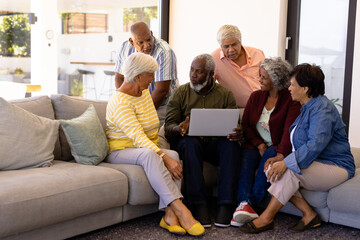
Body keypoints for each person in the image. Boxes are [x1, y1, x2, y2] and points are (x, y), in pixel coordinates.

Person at [238, 63, 356, 234]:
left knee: (288, 171)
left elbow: (314, 144)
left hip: (336, 166)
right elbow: (299, 143)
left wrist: (286, 163)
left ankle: (266, 218)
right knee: (272, 168)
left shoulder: (322, 109)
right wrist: (280, 159)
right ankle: (309, 214)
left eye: (292, 84)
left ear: (306, 88)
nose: (289, 88)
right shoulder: (306, 105)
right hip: (316, 163)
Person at [106, 52, 204, 236]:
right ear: (138, 76)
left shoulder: (142, 93)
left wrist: (167, 153)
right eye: (150, 74)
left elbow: (152, 127)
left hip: (143, 148)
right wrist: (162, 155)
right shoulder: (119, 102)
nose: (154, 78)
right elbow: (137, 137)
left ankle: (169, 216)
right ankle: (180, 209)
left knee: (174, 155)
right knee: (151, 154)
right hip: (121, 150)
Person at [165, 54, 242, 228]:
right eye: (192, 69)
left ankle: (226, 204)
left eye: (199, 72)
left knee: (231, 145)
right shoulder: (181, 93)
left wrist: (238, 133)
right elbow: (169, 126)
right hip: (190, 143)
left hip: (216, 144)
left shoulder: (225, 94)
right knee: (191, 144)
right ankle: (198, 204)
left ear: (211, 75)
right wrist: (179, 128)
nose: (193, 74)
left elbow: (235, 124)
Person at [231, 57, 301, 227]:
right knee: (247, 159)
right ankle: (244, 203)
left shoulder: (291, 100)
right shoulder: (255, 97)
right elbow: (246, 125)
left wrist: (280, 154)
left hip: (278, 146)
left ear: (276, 80)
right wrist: (259, 144)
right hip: (256, 144)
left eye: (263, 77)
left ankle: (252, 203)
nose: (259, 80)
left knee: (269, 159)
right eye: (260, 76)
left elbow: (289, 131)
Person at [114, 21, 179, 126]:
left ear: (152, 34)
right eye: (141, 42)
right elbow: (119, 78)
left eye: (149, 39)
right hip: (137, 103)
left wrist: (142, 114)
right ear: (131, 42)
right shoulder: (125, 48)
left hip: (163, 104)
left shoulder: (164, 51)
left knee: (148, 127)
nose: (147, 45)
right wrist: (123, 102)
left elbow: (161, 90)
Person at [211, 25, 265, 108]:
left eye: (234, 44)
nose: (231, 50)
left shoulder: (257, 53)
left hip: (264, 106)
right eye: (226, 46)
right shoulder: (214, 59)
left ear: (240, 42)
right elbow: (208, 88)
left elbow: (269, 81)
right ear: (220, 46)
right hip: (239, 110)